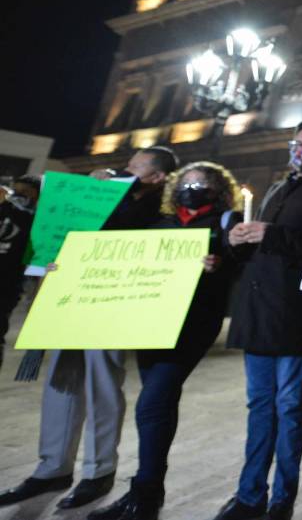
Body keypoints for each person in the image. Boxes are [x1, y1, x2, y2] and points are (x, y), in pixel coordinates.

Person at [0, 146, 179, 511]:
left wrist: (109, 192)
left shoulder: (161, 210)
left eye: (134, 167)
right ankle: (52, 467)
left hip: (110, 305)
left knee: (102, 387)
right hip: (71, 300)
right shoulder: (107, 195)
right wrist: (51, 256)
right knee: (61, 384)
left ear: (157, 177)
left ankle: (99, 472)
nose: (125, 170)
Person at [89, 162, 243, 520]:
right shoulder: (160, 223)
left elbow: (240, 262)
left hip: (192, 326)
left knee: (152, 404)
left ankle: (145, 494)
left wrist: (220, 265)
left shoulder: (225, 223)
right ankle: (146, 494)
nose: (192, 190)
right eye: (186, 184)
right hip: (153, 322)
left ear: (217, 191)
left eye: (201, 185)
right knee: (159, 405)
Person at [212, 122, 302, 520]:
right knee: (259, 406)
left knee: (289, 406)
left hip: (294, 311)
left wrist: (273, 234)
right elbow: (256, 247)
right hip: (258, 309)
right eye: (297, 143)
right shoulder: (279, 188)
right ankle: (249, 495)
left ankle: (283, 497)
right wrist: (235, 241)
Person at [0, 175, 40, 367]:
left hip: (7, 284)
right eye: (16, 190)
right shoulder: (4, 210)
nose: (19, 195)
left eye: (25, 192)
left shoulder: (36, 221)